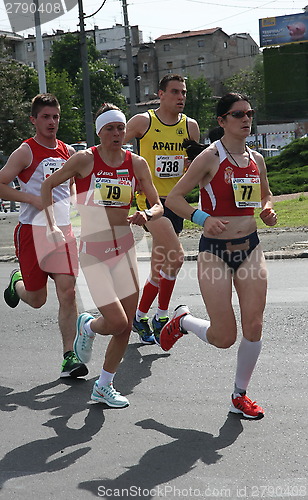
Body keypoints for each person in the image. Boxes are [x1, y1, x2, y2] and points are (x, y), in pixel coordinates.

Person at [160, 92, 277, 419]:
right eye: (238, 114)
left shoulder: (256, 158)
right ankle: (183, 321)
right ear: (222, 121)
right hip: (215, 253)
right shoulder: (210, 157)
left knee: (253, 324)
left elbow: (266, 193)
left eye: (249, 113)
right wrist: (202, 218)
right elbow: (175, 199)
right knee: (224, 337)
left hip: (250, 247)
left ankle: (240, 395)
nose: (246, 119)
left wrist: (267, 209)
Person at [41, 103, 163, 408]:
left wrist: (147, 213)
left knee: (126, 325)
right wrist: (53, 225)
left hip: (125, 248)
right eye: (110, 128)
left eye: (120, 127)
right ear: (99, 131)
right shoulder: (85, 159)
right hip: (94, 250)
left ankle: (104, 386)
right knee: (116, 321)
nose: (117, 133)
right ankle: (88, 326)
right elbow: (48, 185)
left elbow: (158, 204)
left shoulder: (136, 164)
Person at [0, 93, 87, 379]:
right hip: (32, 231)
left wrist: (75, 213)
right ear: (34, 120)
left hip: (63, 232)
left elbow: (72, 186)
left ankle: (69, 355)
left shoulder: (68, 152)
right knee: (37, 299)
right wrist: (33, 200)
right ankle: (18, 284)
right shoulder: (26, 151)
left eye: (56, 117)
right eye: (46, 117)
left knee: (68, 291)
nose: (52, 122)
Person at [124, 74, 200, 345]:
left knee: (161, 267)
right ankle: (162, 317)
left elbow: (194, 166)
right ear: (161, 94)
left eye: (184, 92)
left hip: (176, 202)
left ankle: (141, 316)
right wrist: (132, 181)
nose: (181, 97)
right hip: (152, 204)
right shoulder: (143, 122)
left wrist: (189, 168)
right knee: (177, 258)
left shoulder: (190, 127)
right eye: (176, 92)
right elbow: (115, 149)